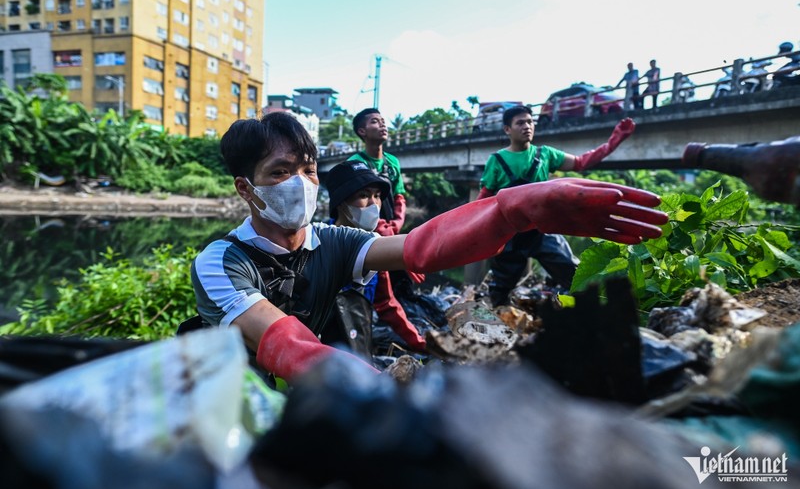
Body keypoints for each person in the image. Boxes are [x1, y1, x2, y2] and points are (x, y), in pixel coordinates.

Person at [190, 112, 668, 383]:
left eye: (309, 169)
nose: (300, 183)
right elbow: (287, 343)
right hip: (233, 397)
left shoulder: (333, 240)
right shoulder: (221, 261)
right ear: (245, 188)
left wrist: (509, 211)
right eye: (279, 172)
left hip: (306, 391)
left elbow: (422, 248)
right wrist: (382, 389)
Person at [478, 105, 637, 307]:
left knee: (573, 274)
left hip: (542, 230)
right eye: (520, 123)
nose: (527, 126)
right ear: (507, 129)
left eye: (530, 121)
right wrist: (478, 233)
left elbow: (580, 162)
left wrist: (613, 143)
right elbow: (483, 198)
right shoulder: (497, 160)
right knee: (501, 287)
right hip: (510, 236)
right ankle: (496, 324)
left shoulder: (545, 154)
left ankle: (589, 315)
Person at [326, 160, 426, 351]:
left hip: (357, 344)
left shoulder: (374, 246)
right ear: (341, 202)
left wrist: (419, 342)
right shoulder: (318, 244)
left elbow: (386, 303)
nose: (374, 204)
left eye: (377, 196)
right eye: (363, 196)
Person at [348, 108, 406, 226]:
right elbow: (353, 204)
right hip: (362, 230)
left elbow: (398, 197)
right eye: (375, 121)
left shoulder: (393, 161)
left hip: (390, 229)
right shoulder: (354, 163)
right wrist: (378, 226)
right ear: (362, 131)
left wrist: (396, 224)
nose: (382, 125)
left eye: (383, 121)